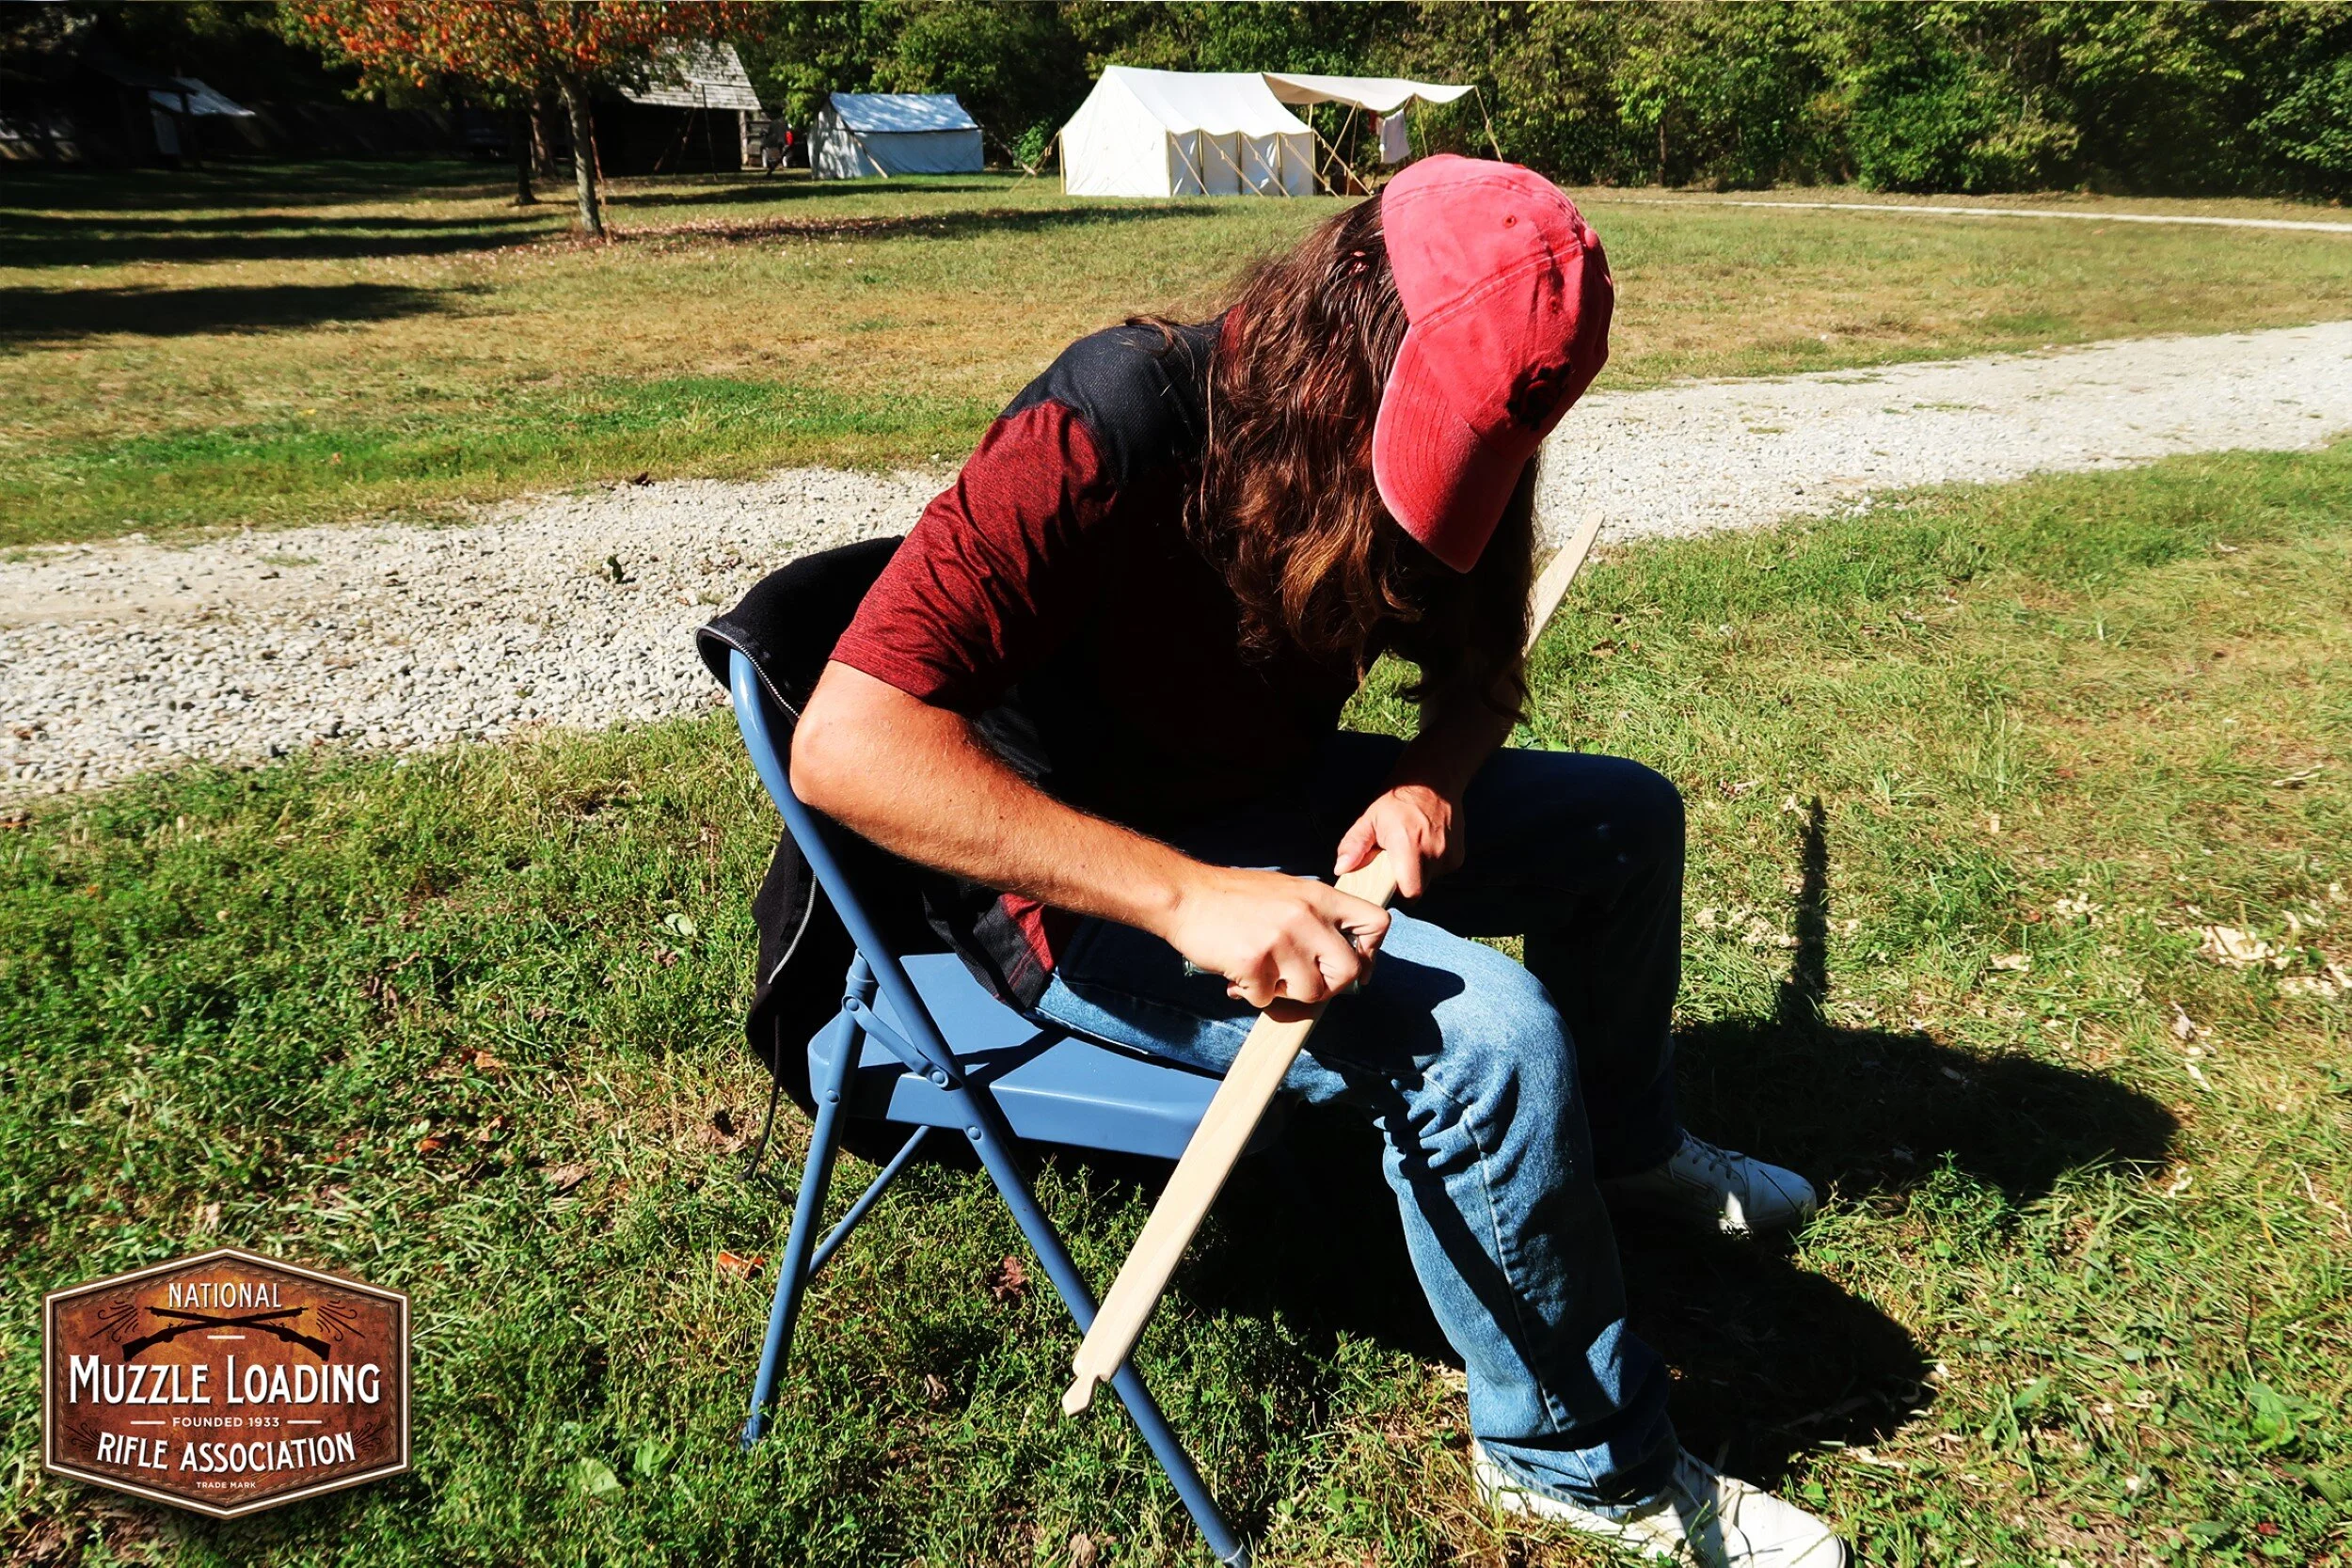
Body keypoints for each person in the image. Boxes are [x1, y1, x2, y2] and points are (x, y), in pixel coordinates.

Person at [790, 155, 1845, 1567]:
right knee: (1489, 1042)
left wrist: (1430, 777)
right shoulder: (1108, 423)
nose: (1436, 505)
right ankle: (1573, 1459)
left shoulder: (1483, 419)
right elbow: (847, 745)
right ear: (1339, 334)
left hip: (1268, 799)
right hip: (1071, 882)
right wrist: (1190, 897)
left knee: (1622, 822)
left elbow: (1482, 669)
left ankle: (1629, 1147)